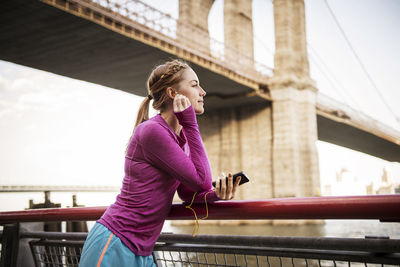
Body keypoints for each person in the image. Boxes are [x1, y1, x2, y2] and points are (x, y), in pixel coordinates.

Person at [79, 59, 241, 267]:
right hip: (115, 243)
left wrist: (216, 194)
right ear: (173, 94)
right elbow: (202, 181)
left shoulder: (181, 138)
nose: (203, 92)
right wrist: (190, 123)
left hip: (144, 250)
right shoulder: (152, 131)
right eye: (194, 85)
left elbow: (188, 192)